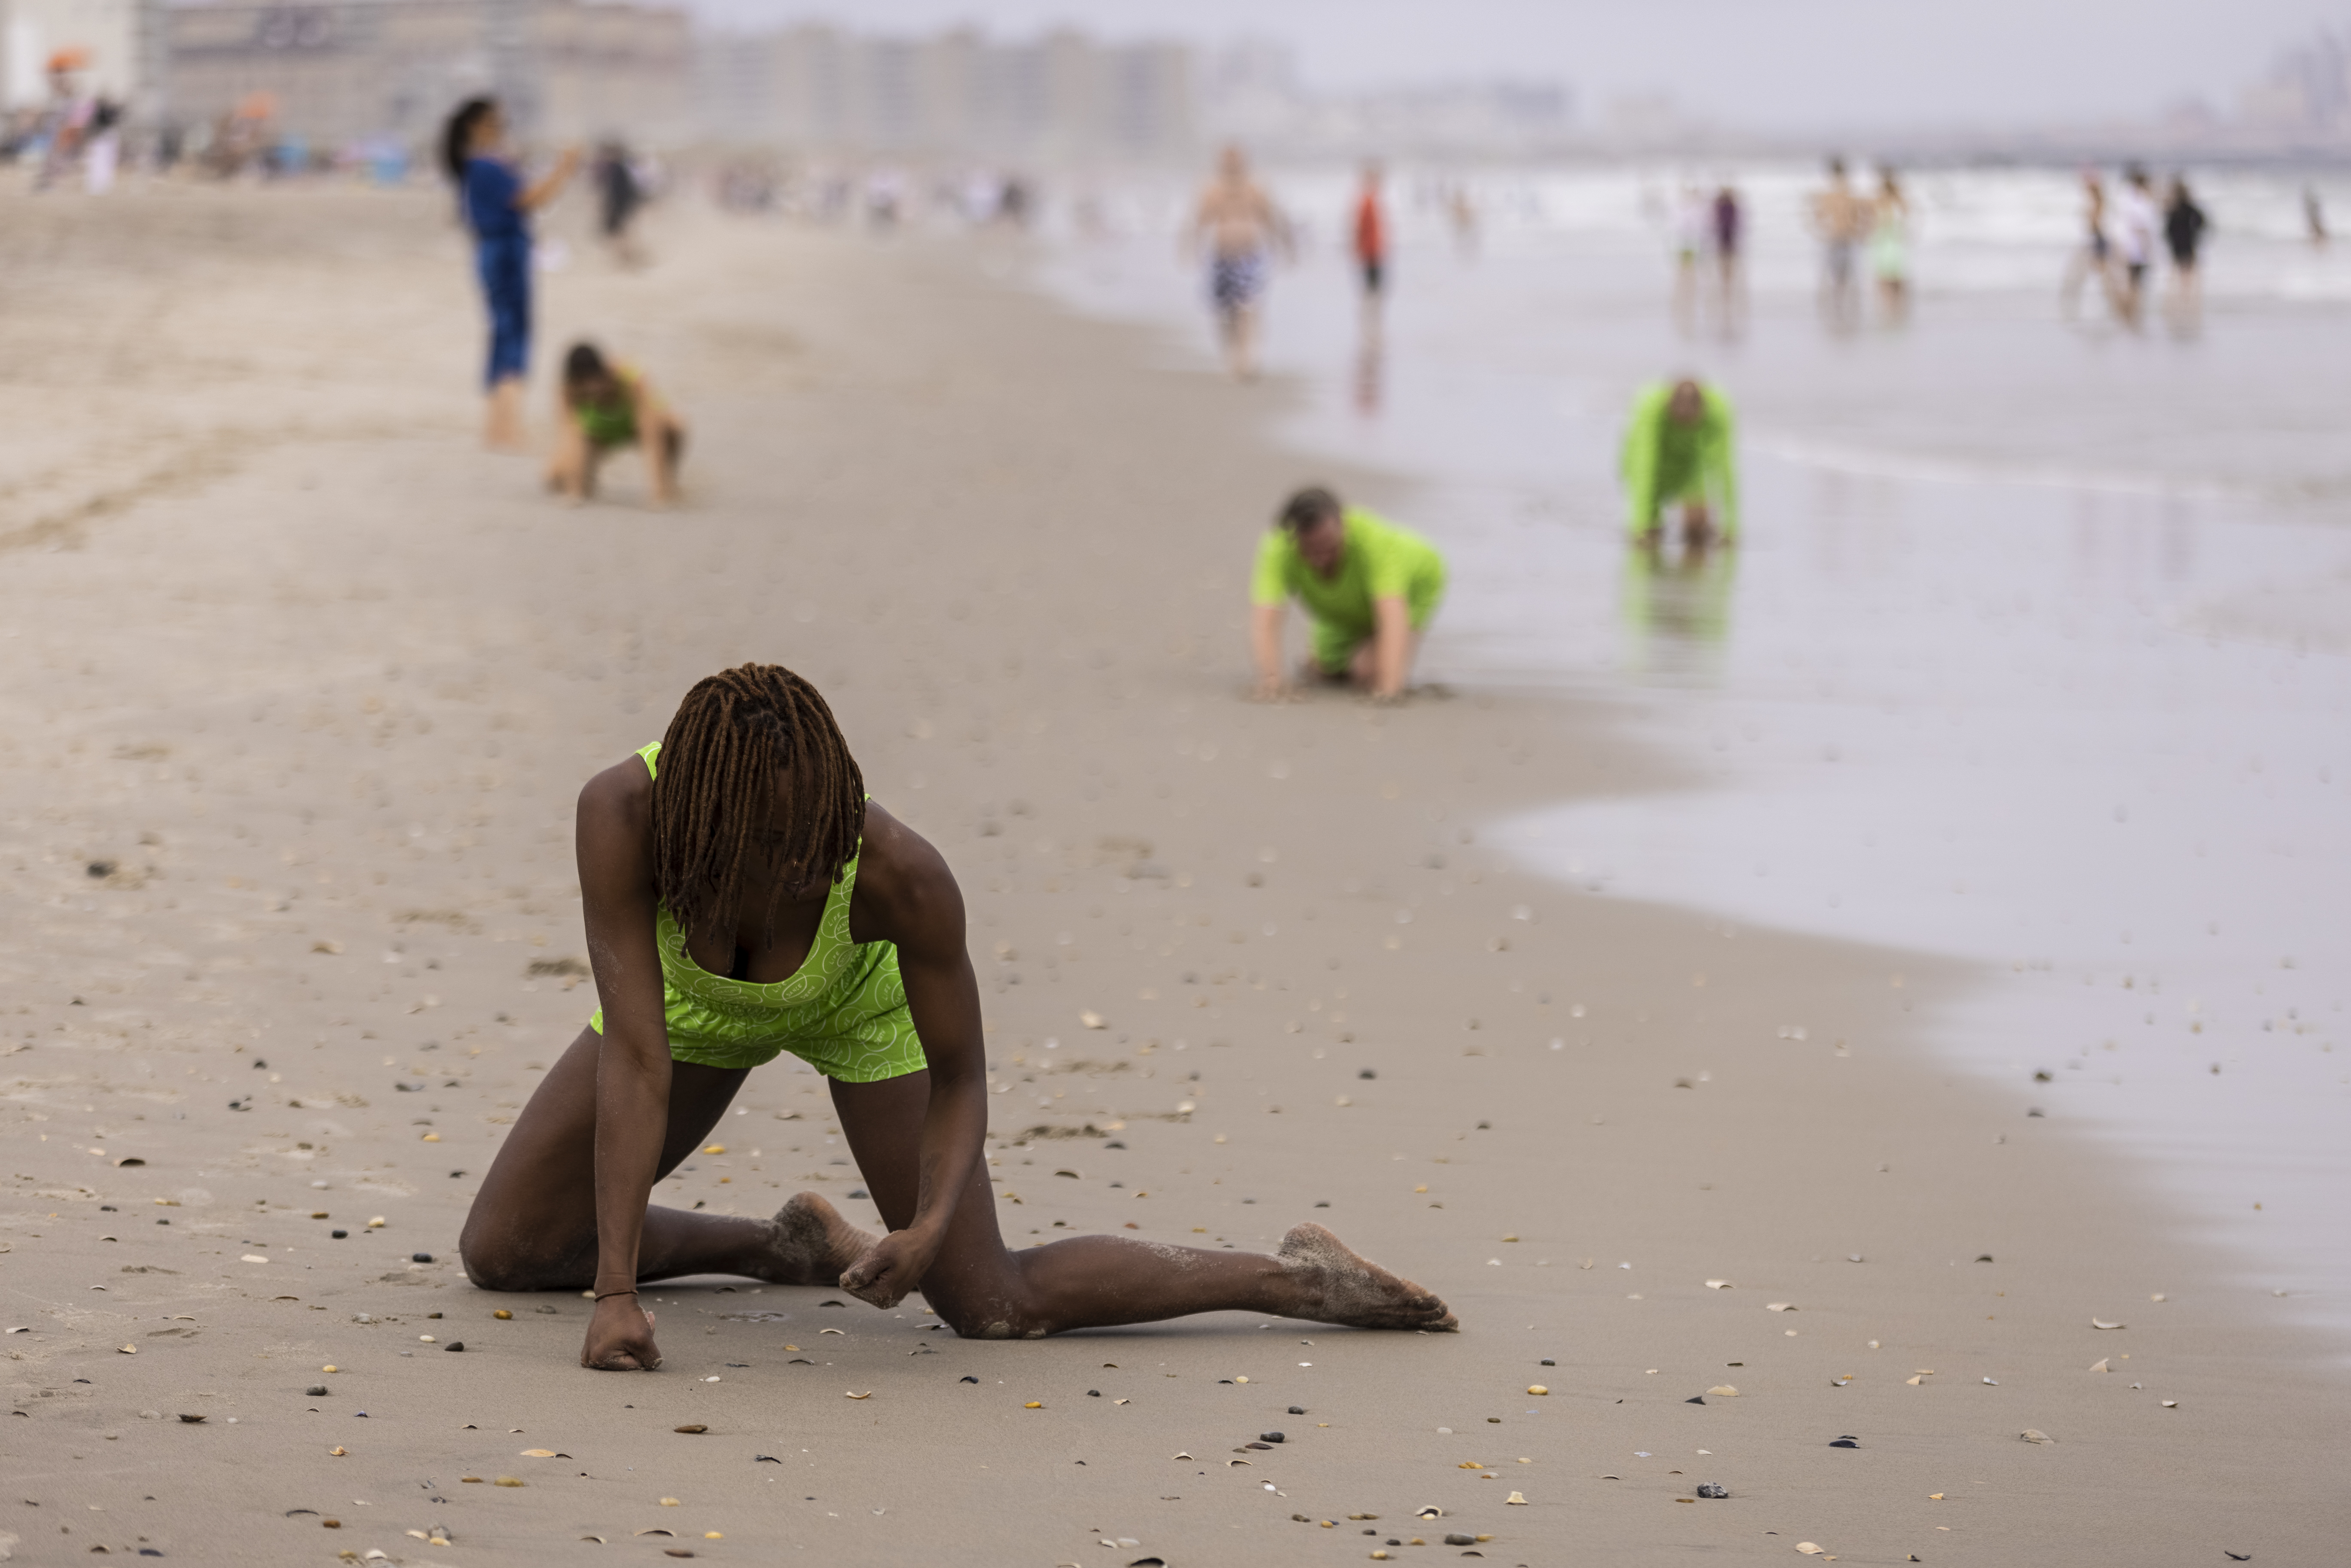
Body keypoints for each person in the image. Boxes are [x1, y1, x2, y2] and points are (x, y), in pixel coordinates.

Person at [457, 664, 1457, 1370]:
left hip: (857, 1006)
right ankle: (789, 1245)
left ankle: (1292, 1278)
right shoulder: (624, 816)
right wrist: (616, 1297)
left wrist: (930, 1223)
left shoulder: (901, 876)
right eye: (782, 846)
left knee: (993, 1304)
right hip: (688, 1013)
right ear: (706, 824)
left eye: (827, 832)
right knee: (506, 1250)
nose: (813, 863)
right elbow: (637, 1055)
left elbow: (964, 1074)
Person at [442, 97, 579, 450]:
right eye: (496, 124)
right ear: (476, 126)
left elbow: (529, 199)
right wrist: (563, 168)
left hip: (494, 249)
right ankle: (509, 427)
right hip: (504, 250)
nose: (502, 130)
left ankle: (496, 428)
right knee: (513, 332)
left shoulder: (477, 167)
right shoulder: (486, 166)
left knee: (501, 331)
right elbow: (530, 199)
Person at [1250, 487, 1445, 702]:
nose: (1321, 559)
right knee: (1323, 671)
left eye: (1328, 545)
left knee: (1366, 673)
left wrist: (1389, 689)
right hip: (1344, 604)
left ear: (1343, 524)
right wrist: (1272, 681)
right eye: (1310, 549)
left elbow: (1392, 614)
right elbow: (1266, 618)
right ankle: (1343, 650)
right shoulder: (1279, 547)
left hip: (1413, 586)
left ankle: (1369, 654)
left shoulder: (1374, 541)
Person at [546, 342, 687, 507]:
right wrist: (574, 493)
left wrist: (658, 495)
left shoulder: (628, 377)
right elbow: (570, 436)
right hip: (600, 433)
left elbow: (650, 434)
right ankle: (587, 478)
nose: (592, 389)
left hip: (635, 428)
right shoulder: (569, 390)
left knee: (676, 425)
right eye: (584, 384)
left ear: (603, 370)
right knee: (554, 478)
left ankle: (668, 481)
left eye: (596, 381)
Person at [1192, 145, 1288, 380]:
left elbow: (1271, 218)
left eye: (1236, 162)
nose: (1232, 167)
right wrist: (1190, 247)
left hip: (1248, 255)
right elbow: (1200, 221)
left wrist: (1284, 245)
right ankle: (1232, 355)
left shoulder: (1254, 189)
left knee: (1247, 306)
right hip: (1222, 256)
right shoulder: (1214, 191)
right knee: (1225, 311)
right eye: (1228, 162)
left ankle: (1246, 358)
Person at [1622, 379, 1738, 548]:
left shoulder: (1719, 410)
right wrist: (1641, 525)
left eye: (1691, 422)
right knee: (1650, 529)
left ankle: (1692, 564)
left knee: (1697, 529)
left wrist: (1730, 526)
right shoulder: (1649, 409)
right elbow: (1644, 468)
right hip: (1654, 464)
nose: (1685, 428)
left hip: (1688, 465)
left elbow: (1725, 468)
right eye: (1680, 421)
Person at [1810, 158, 1869, 325]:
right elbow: (1818, 216)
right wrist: (1822, 231)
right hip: (1836, 239)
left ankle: (1846, 308)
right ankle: (1838, 308)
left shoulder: (1848, 194)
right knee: (1836, 275)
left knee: (1848, 274)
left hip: (1846, 239)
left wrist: (1861, 232)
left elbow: (1863, 216)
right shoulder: (1832, 195)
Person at [2060, 170, 2113, 322]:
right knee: (2101, 276)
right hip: (2097, 241)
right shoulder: (2098, 203)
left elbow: (2095, 226)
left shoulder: (2096, 205)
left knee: (2092, 275)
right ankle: (2106, 303)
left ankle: (2102, 304)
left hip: (2094, 242)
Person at [2111, 167, 2161, 327]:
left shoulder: (2126, 197)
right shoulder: (2140, 202)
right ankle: (2130, 314)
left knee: (2129, 281)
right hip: (2135, 248)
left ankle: (2127, 314)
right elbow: (2141, 226)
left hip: (2126, 245)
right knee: (2135, 282)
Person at [593, 140, 645, 269]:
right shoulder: (622, 168)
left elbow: (619, 192)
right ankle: (626, 258)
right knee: (621, 233)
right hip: (622, 206)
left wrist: (614, 208)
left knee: (620, 234)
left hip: (620, 207)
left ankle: (626, 259)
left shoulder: (618, 169)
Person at [1870, 168, 1912, 324]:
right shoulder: (1895, 200)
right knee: (1895, 277)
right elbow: (1908, 216)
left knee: (1887, 278)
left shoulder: (1883, 200)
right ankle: (1896, 309)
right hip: (1891, 240)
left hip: (1887, 241)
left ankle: (1890, 309)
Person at [1352, 161, 1388, 337]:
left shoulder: (1372, 200)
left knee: (1375, 287)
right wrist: (1357, 248)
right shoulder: (1367, 202)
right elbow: (1359, 228)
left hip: (1374, 249)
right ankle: (1371, 320)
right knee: (1373, 288)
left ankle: (1372, 317)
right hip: (1371, 250)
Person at [2164, 175, 2207, 323]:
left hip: (2177, 245)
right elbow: (2203, 223)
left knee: (2176, 274)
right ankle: (2186, 302)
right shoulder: (2190, 208)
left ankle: (2176, 303)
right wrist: (2194, 234)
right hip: (2188, 244)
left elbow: (2167, 230)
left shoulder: (2172, 209)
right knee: (2187, 276)